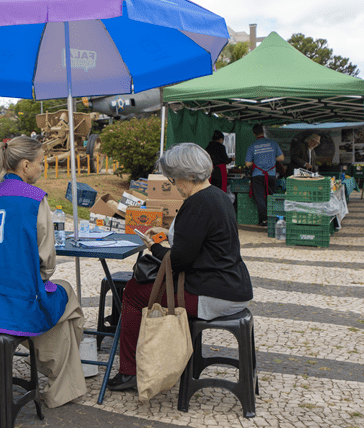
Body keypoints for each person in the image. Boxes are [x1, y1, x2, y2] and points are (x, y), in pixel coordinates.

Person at [107, 143, 254, 391]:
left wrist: (154, 247)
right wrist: (168, 233)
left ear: (187, 175)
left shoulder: (196, 203)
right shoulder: (218, 196)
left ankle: (129, 371)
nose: (174, 184)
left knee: (132, 292)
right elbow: (202, 239)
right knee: (140, 288)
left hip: (214, 293)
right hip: (235, 286)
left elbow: (178, 261)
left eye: (174, 179)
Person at [0, 136, 87, 408]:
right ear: (25, 165)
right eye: (41, 162)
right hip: (16, 307)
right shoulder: (34, 199)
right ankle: (60, 384)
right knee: (67, 299)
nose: (43, 167)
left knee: (58, 310)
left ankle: (59, 376)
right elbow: (46, 262)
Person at [245, 124, 285, 226]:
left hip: (257, 175)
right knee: (271, 196)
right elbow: (281, 158)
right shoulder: (273, 143)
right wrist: (272, 159)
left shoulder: (252, 146)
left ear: (254, 134)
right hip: (271, 174)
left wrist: (255, 161)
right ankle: (273, 218)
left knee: (260, 198)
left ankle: (264, 220)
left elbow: (247, 164)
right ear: (263, 131)